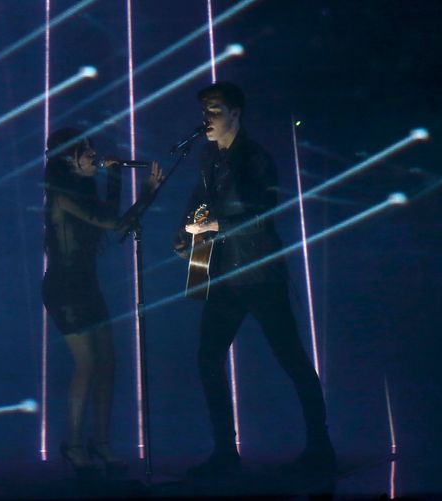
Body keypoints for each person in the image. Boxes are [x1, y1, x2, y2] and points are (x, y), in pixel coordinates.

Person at [173, 82, 335, 478]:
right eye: (204, 110)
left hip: (259, 274)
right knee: (208, 359)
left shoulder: (255, 157)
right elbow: (198, 202)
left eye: (214, 110)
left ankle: (320, 446)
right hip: (224, 273)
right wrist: (187, 232)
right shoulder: (209, 156)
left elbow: (261, 212)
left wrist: (214, 223)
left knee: (291, 357)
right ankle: (225, 452)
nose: (206, 118)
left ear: (235, 113)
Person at [43, 128, 162, 475]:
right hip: (64, 289)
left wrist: (141, 193)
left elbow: (120, 226)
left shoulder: (83, 192)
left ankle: (101, 442)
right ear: (68, 159)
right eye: (87, 153)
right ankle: (75, 445)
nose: (94, 157)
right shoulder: (61, 197)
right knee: (87, 364)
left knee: (108, 364)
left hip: (87, 285)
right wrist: (121, 181)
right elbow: (111, 220)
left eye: (94, 152)